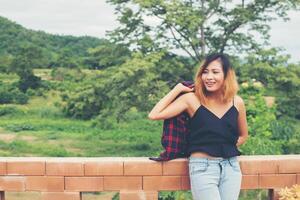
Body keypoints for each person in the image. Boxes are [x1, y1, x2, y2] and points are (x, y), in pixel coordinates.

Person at [148, 53, 248, 200]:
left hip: (231, 166)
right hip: (203, 167)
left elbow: (243, 135)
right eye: (205, 72)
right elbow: (154, 114)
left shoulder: (237, 102)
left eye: (215, 72)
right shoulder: (191, 100)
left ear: (227, 75)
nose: (209, 77)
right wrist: (177, 89)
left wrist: (223, 145)